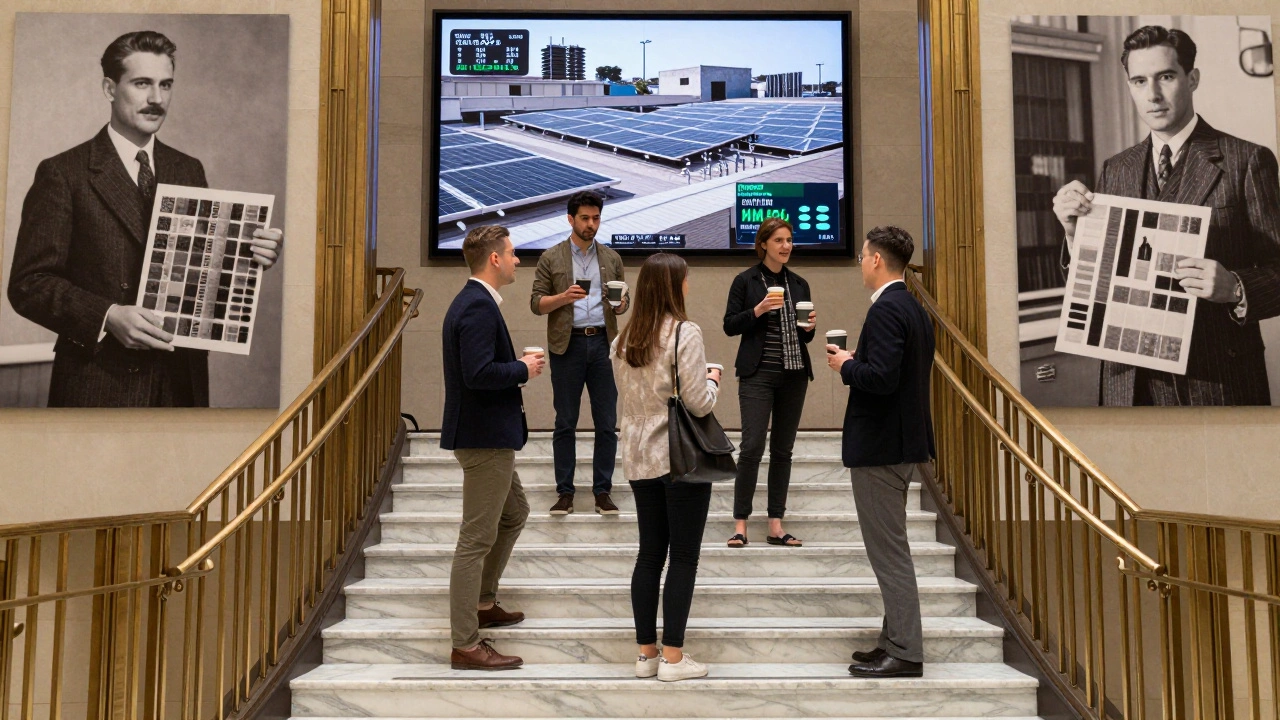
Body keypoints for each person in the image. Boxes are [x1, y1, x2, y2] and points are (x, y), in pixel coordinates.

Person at [7, 30, 282, 407]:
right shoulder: (63, 173)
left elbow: (198, 272)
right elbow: (28, 285)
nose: (156, 99)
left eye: (165, 85)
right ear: (109, 88)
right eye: (142, 84)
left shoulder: (188, 169)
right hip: (99, 385)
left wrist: (248, 256)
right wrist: (107, 315)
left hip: (180, 382)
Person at [1053, 25, 1280, 406]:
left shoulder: (1247, 161)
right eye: (1139, 81)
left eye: (1166, 77)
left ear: (1192, 79)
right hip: (1127, 385)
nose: (1153, 95)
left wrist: (1236, 287)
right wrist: (1074, 234)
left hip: (1216, 383)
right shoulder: (1116, 169)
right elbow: (1095, 285)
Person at [826, 226, 934, 679]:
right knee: (892, 549)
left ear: (875, 260)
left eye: (862, 257)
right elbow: (895, 371)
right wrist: (859, 360)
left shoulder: (888, 309)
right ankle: (893, 639)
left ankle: (906, 651)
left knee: (889, 554)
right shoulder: (910, 305)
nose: (860, 263)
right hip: (900, 442)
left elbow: (883, 379)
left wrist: (847, 365)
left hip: (882, 448)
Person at [610, 253, 721, 683]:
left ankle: (646, 655)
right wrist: (713, 380)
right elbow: (697, 401)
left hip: (639, 456)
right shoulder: (684, 333)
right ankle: (674, 658)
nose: (689, 285)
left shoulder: (621, 341)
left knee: (650, 554)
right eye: (686, 280)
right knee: (684, 557)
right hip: (679, 457)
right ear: (675, 286)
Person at [440, 225, 544, 671]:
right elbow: (478, 374)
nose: (518, 260)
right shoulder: (478, 307)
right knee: (475, 539)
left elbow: (477, 369)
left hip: (490, 434)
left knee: (515, 513)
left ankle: (484, 602)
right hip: (484, 438)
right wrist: (522, 368)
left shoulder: (475, 302)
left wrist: (517, 366)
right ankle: (466, 643)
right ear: (495, 259)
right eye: (513, 253)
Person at [530, 191, 630, 515]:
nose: (591, 224)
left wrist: (621, 304)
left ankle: (603, 493)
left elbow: (623, 303)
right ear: (570, 219)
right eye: (585, 218)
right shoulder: (551, 257)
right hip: (567, 344)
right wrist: (563, 297)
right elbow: (536, 304)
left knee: (606, 422)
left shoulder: (612, 258)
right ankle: (565, 493)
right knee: (566, 422)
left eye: (596, 218)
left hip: (603, 343)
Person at [722, 217, 817, 548]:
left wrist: (809, 329)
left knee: (783, 450)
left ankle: (775, 525)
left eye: (790, 240)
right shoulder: (745, 281)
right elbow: (730, 325)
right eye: (779, 240)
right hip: (758, 374)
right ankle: (740, 525)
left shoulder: (800, 284)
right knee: (751, 447)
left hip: (794, 374)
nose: (786, 246)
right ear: (763, 244)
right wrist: (759, 309)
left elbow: (808, 334)